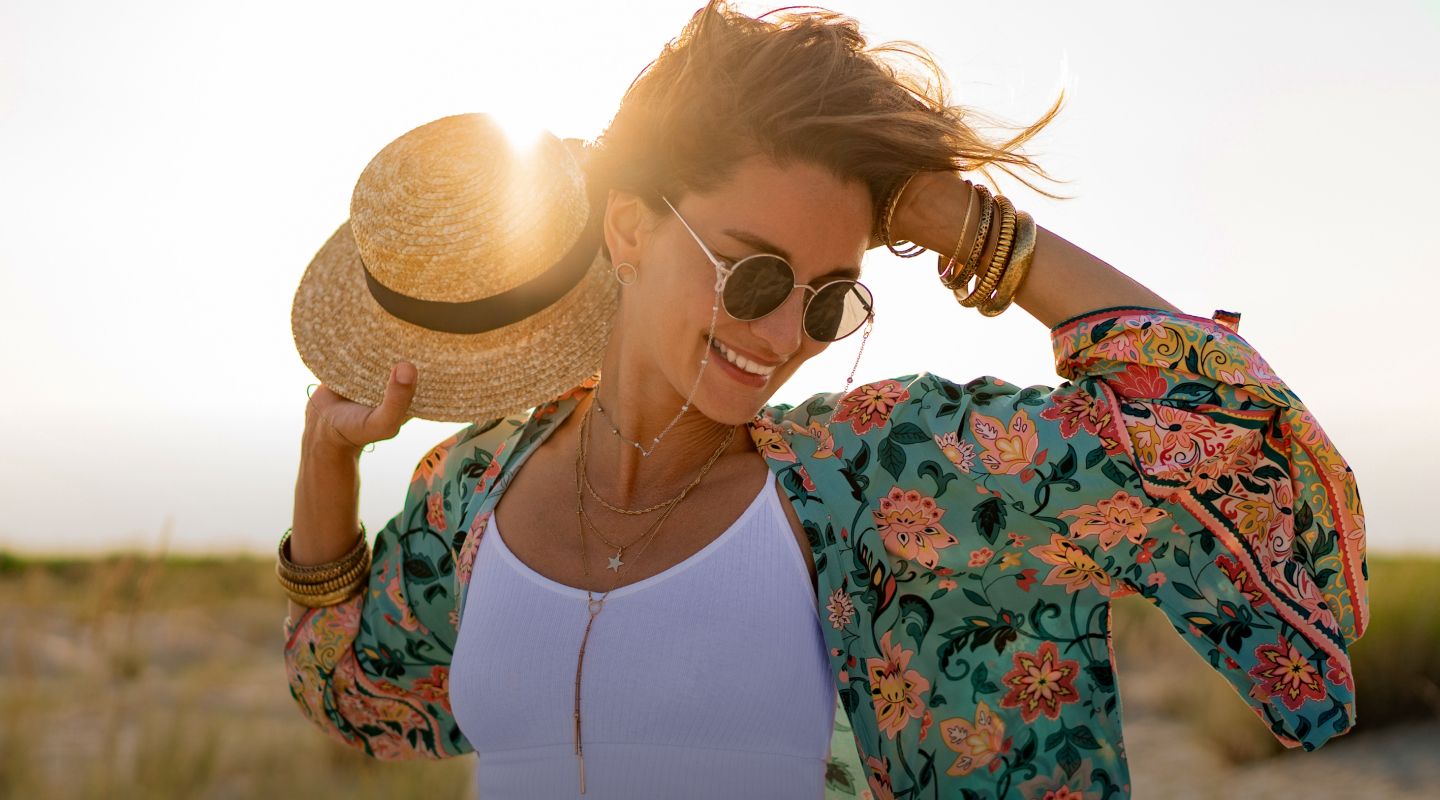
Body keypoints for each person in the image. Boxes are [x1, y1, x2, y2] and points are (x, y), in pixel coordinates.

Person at [280, 2, 1368, 798]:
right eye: (753, 275)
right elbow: (356, 694)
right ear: (629, 230)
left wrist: (977, 228)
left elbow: (1220, 441)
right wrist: (326, 463)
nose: (781, 335)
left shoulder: (885, 478)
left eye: (831, 299)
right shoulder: (472, 487)